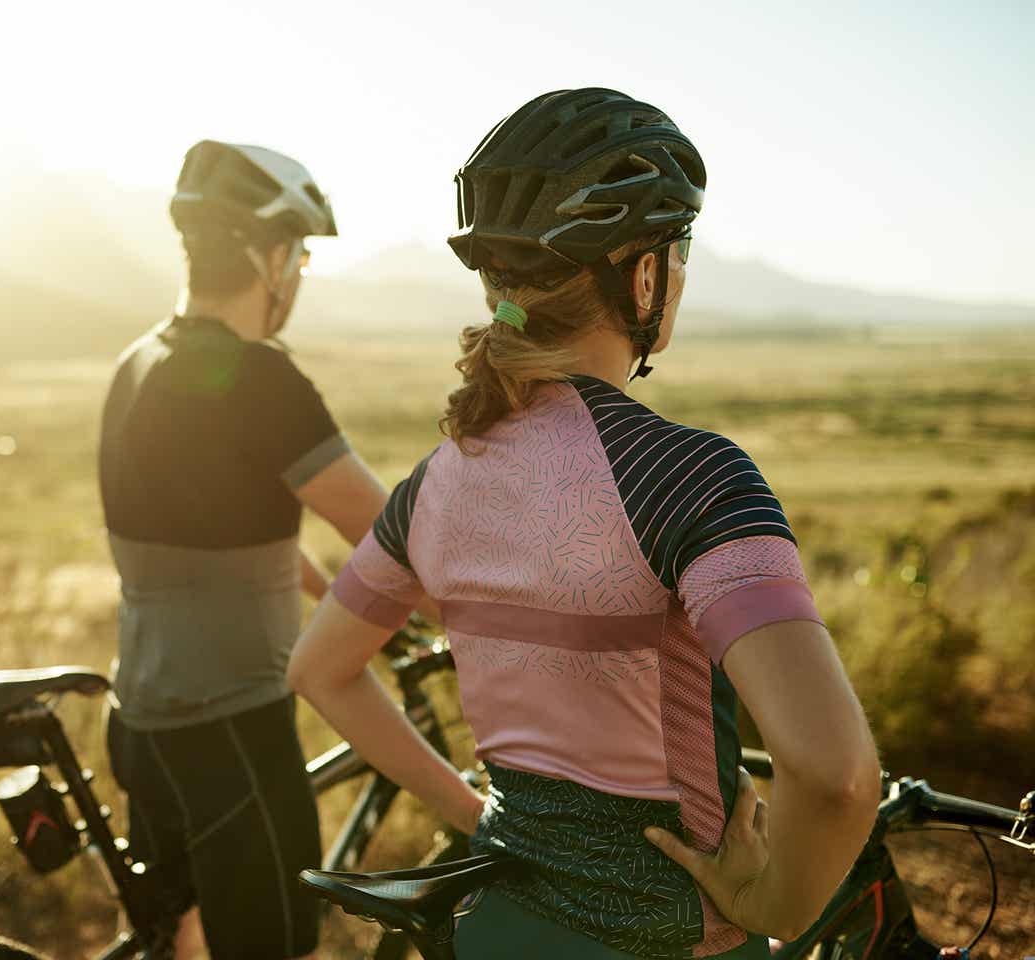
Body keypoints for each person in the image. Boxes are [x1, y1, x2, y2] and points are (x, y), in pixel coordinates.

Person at [288, 89, 883, 959]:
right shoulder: (687, 475)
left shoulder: (436, 483)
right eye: (675, 255)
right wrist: (774, 907)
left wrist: (475, 813)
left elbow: (320, 668)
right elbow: (836, 776)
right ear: (642, 275)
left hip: (490, 929)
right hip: (671, 940)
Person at [98, 139, 391, 960]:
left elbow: (208, 524)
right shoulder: (262, 381)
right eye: (297, 252)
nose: (296, 271)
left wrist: (317, 586)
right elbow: (392, 538)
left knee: (180, 942)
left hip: (142, 720)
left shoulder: (136, 362)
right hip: (232, 728)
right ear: (269, 256)